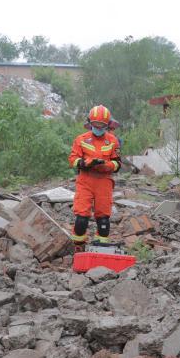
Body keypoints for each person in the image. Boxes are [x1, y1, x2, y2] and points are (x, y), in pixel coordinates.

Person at [68, 105, 121, 252]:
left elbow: (118, 163)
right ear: (90, 123)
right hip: (86, 180)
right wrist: (84, 163)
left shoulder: (112, 141)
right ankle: (78, 248)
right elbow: (73, 159)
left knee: (103, 221)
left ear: (107, 125)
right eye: (95, 124)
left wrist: (107, 165)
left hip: (104, 181)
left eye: (102, 125)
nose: (98, 127)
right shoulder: (81, 139)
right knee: (81, 220)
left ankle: (101, 249)